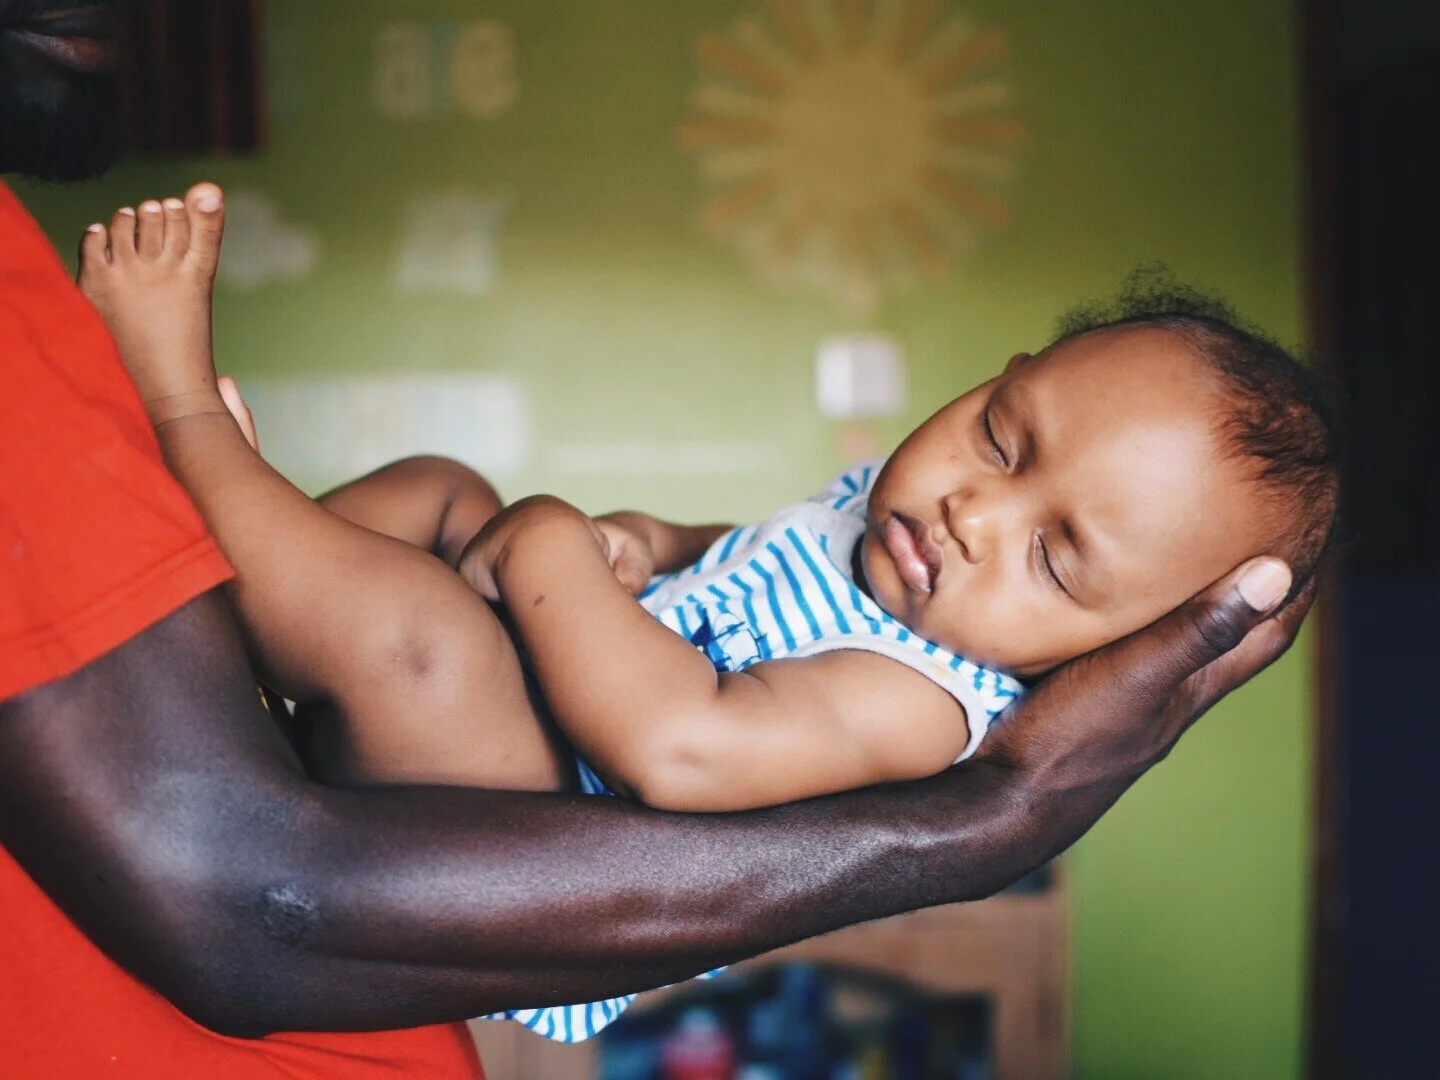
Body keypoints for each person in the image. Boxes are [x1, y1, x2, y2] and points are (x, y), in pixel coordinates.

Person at [0, 2, 1312, 1076]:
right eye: (1002, 437)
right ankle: (209, 620)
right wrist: (649, 536)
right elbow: (743, 551)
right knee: (442, 491)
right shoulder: (891, 529)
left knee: (428, 639)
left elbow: (683, 748)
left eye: (1056, 560)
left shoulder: (916, 705)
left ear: (1104, 653)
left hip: (533, 828)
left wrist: (560, 549)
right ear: (1000, 374)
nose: (978, 512)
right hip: (536, 719)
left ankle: (181, 419)